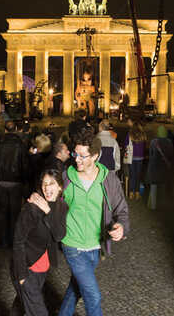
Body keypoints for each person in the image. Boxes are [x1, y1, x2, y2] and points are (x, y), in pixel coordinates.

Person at [58, 130, 129, 316]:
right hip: (72, 244)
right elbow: (49, 198)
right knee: (93, 295)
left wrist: (121, 226)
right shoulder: (66, 178)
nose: (77, 159)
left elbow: (121, 210)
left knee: (76, 289)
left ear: (96, 156)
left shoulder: (109, 179)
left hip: (96, 247)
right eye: (75, 154)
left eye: (83, 156)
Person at [11, 169, 69, 316]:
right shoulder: (31, 208)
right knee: (38, 310)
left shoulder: (62, 207)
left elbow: (59, 235)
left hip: (42, 267)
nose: (47, 188)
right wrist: (22, 276)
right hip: (26, 267)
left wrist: (48, 212)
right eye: (44, 184)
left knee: (23, 303)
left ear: (60, 187)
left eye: (52, 183)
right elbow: (18, 242)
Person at [0, 120, 30, 247]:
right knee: (15, 213)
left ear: (5, 130)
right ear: (15, 129)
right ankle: (14, 240)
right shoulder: (20, 144)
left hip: (2, 181)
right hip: (16, 182)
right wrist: (25, 180)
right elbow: (24, 165)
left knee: (3, 213)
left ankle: (4, 240)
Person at [144, 125, 174, 209]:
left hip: (154, 166)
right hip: (164, 167)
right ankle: (163, 204)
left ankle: (153, 205)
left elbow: (151, 154)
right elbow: (171, 154)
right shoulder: (169, 142)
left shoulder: (154, 142)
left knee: (153, 187)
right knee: (163, 186)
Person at [125, 123, 146, 200]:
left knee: (132, 175)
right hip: (140, 157)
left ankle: (131, 193)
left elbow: (126, 144)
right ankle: (137, 193)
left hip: (132, 157)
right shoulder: (143, 135)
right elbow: (144, 146)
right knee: (138, 175)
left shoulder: (129, 135)